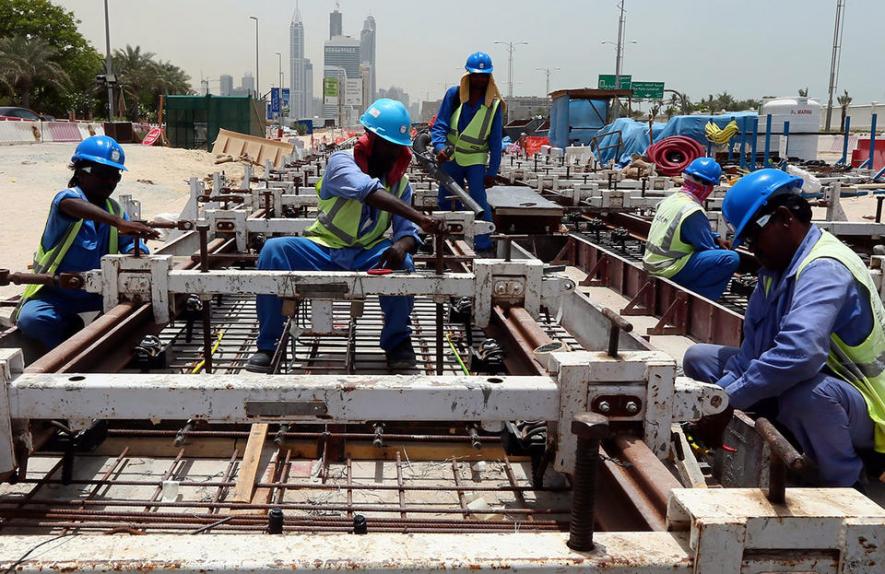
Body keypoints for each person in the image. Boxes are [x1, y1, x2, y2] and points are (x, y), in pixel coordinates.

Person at [683, 168, 885, 487]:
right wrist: (718, 399)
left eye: (753, 236)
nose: (752, 249)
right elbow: (752, 353)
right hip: (812, 384)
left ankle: (845, 481)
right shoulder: (774, 272)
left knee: (807, 394)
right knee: (700, 359)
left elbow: (800, 355)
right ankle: (782, 436)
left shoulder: (824, 268)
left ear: (783, 218)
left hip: (864, 406)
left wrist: (729, 402)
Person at [247, 99, 443, 373]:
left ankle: (397, 343)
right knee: (273, 251)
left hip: (366, 254)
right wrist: (420, 217)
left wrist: (401, 245)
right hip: (323, 249)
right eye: (387, 145)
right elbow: (366, 189)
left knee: (405, 265)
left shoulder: (400, 183)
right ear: (371, 139)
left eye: (397, 147)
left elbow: (407, 233)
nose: (392, 153)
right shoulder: (341, 162)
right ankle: (268, 345)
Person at [14, 135, 158, 349]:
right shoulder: (67, 201)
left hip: (99, 294)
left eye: (115, 176)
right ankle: (66, 351)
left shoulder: (114, 209)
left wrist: (140, 254)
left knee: (138, 309)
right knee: (31, 320)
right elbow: (69, 204)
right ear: (81, 173)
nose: (110, 182)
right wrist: (118, 222)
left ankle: (96, 345)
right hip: (56, 294)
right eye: (102, 175)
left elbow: (128, 243)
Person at [430, 51, 504, 254]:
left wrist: (492, 171)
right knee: (445, 198)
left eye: (484, 75)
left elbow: (496, 141)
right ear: (468, 75)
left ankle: (482, 245)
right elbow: (440, 126)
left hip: (475, 159)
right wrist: (439, 147)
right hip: (451, 156)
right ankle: (445, 241)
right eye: (476, 75)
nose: (480, 79)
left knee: (477, 200)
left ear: (489, 77)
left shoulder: (494, 105)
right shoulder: (454, 95)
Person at [642, 157, 739, 300]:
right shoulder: (692, 210)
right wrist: (718, 246)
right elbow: (707, 248)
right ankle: (698, 299)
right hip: (668, 268)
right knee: (730, 259)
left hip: (652, 263)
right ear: (709, 186)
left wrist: (715, 237)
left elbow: (687, 229)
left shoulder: (672, 199)